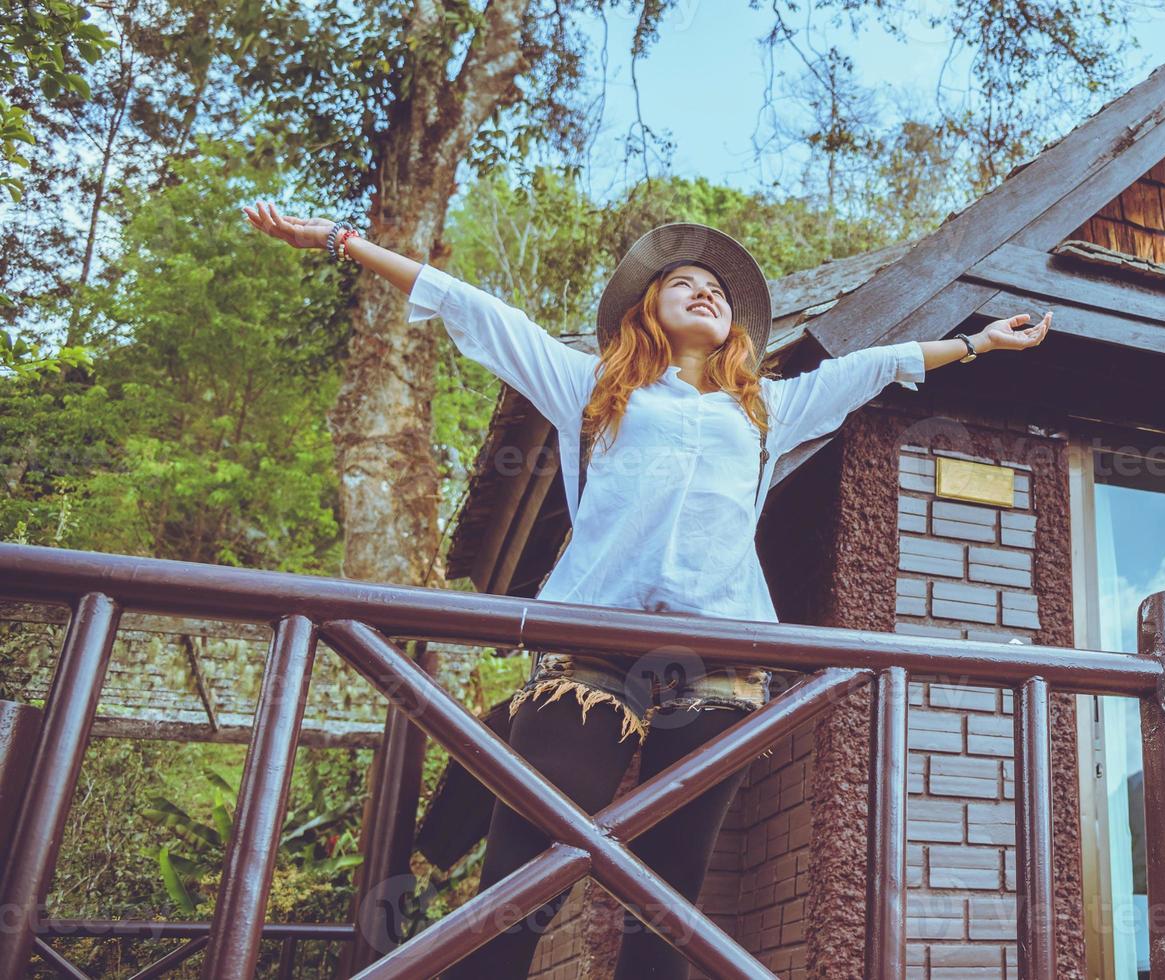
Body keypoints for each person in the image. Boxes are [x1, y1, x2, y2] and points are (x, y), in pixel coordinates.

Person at [241, 203, 1050, 977]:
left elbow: (879, 367)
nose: (706, 292)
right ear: (646, 310)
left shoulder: (767, 407)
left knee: (665, 897)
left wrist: (977, 345)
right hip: (593, 646)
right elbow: (476, 311)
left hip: (724, 659)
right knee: (528, 874)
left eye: (719, 291)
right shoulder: (593, 388)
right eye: (683, 284)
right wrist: (344, 241)